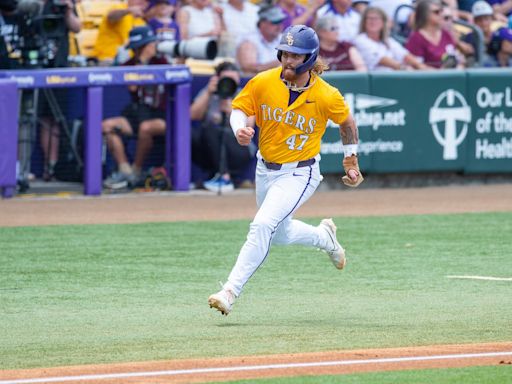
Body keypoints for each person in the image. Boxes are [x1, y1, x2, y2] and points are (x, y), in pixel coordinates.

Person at [208, 25, 364, 316]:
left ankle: (229, 290)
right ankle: (324, 238)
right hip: (265, 168)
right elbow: (239, 108)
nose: (288, 60)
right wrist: (240, 127)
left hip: (299, 172)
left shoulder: (327, 95)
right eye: (286, 53)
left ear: (309, 58)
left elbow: (347, 123)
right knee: (278, 234)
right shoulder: (264, 81)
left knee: (262, 225)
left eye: (296, 55)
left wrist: (350, 160)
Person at [102, 26, 169, 190]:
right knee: (106, 126)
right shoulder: (130, 64)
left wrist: (149, 59)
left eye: (143, 47)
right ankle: (125, 170)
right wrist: (142, 61)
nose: (140, 51)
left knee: (146, 128)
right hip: (137, 113)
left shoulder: (161, 61)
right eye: (137, 48)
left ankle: (136, 170)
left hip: (162, 115)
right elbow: (132, 87)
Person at [190, 61, 256, 192]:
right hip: (209, 151)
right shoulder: (210, 93)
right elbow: (192, 115)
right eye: (226, 78)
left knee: (212, 128)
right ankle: (216, 176)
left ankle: (224, 177)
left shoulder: (243, 94)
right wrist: (208, 93)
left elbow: (250, 125)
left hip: (239, 149)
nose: (229, 82)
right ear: (217, 78)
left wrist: (231, 111)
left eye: (233, 79)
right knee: (191, 132)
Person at [354, 6, 430, 70]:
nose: (373, 21)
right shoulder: (360, 39)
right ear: (364, 22)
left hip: (393, 78)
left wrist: (421, 66)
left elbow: (404, 55)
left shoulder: (388, 40)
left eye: (376, 18)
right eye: (369, 18)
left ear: (383, 22)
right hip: (375, 82)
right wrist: (405, 69)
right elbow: (382, 59)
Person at [405, 0, 460, 68]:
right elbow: (416, 68)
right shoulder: (416, 39)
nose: (441, 14)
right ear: (424, 14)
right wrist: (439, 73)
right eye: (436, 12)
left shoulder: (446, 34)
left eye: (441, 11)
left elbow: (456, 60)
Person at [92, 0, 148, 65]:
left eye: (146, 1)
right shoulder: (119, 7)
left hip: (129, 62)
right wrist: (128, 11)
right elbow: (111, 17)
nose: (142, 2)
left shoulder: (141, 21)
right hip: (106, 59)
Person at [236, 4, 287, 75]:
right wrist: (281, 62)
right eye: (275, 22)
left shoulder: (283, 38)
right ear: (262, 23)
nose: (279, 26)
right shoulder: (249, 41)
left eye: (280, 21)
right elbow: (249, 69)